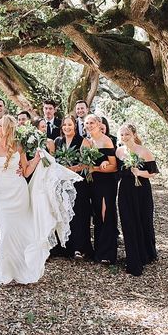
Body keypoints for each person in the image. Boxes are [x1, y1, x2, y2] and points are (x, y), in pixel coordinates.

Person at [0, 115, 81, 285]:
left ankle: (8, 273)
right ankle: (6, 272)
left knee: (19, 231)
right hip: (0, 196)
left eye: (0, 125)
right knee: (6, 231)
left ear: (8, 128)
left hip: (19, 193)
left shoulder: (18, 146)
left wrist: (38, 158)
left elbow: (25, 171)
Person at [116, 124, 159, 276]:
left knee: (143, 220)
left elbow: (153, 173)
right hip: (125, 190)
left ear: (134, 134)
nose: (124, 137)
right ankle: (132, 258)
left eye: (127, 134)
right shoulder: (119, 151)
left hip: (141, 190)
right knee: (128, 222)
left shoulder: (144, 151)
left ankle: (146, 253)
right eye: (122, 135)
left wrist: (139, 172)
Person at [52, 115, 91, 259]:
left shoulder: (83, 141)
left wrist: (72, 169)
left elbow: (86, 163)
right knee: (63, 213)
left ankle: (79, 248)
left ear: (75, 125)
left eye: (69, 124)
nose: (66, 127)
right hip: (62, 183)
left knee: (78, 213)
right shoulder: (58, 141)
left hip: (78, 183)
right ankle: (64, 246)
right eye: (64, 125)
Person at [82, 114, 118, 264]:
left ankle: (107, 253)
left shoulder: (106, 140)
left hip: (106, 182)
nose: (89, 125)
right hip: (90, 183)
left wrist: (96, 168)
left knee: (105, 214)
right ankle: (97, 251)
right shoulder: (86, 141)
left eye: (92, 123)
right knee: (96, 215)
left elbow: (114, 166)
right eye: (87, 123)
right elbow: (83, 164)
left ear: (98, 124)